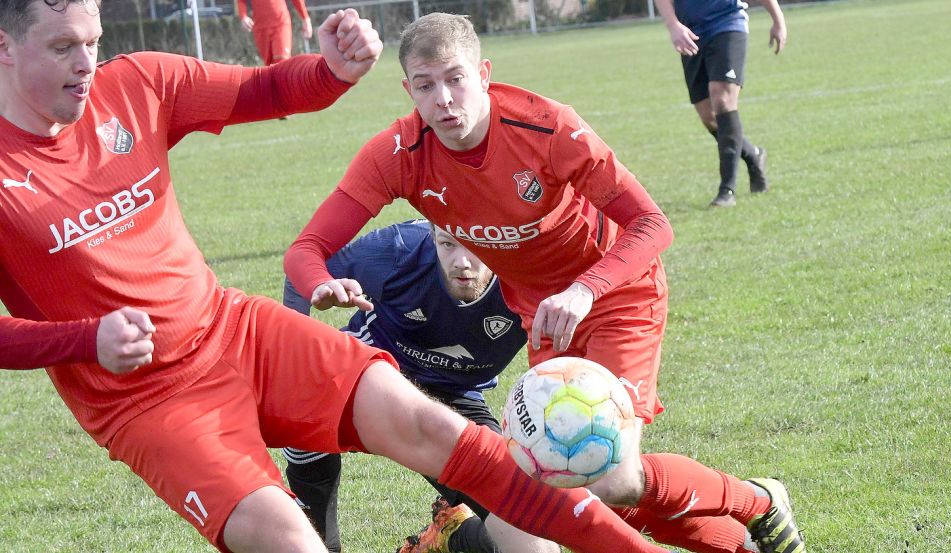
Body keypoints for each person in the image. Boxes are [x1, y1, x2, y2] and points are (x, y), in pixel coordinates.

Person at [0, 2, 680, 553]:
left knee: (432, 425)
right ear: (4, 46)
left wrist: (333, 68)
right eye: (63, 47)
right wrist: (88, 339)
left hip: (235, 328)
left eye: (93, 40)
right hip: (146, 400)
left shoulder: (135, 83)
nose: (88, 62)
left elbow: (267, 89)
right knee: (292, 541)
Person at [284, 12, 806, 553]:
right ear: (408, 90)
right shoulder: (399, 153)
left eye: (455, 78)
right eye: (426, 85)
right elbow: (305, 249)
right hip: (544, 316)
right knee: (568, 486)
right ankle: (739, 547)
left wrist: (585, 290)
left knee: (611, 478)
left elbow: (653, 224)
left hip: (616, 292)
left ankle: (759, 501)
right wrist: (321, 282)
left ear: (483, 74)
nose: (443, 99)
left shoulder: (546, 127)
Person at [282, 220, 557, 553]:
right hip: (375, 370)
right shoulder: (397, 249)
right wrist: (312, 309)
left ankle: (452, 536)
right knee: (307, 395)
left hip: (454, 397)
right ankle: (320, 541)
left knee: (532, 537)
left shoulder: (540, 274)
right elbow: (303, 266)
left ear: (502, 238)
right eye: (448, 244)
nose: (462, 262)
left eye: (473, 244)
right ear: (431, 234)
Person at [652, 0, 787, 208]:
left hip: (727, 22)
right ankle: (753, 155)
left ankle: (727, 190)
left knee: (722, 99)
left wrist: (778, 20)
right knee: (709, 117)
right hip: (691, 33)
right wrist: (673, 26)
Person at [238, 0, 313, 66]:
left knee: (282, 63)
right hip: (260, 27)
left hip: (280, 22)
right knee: (269, 66)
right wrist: (243, 16)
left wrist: (306, 18)